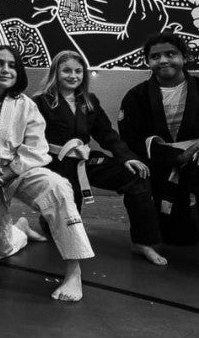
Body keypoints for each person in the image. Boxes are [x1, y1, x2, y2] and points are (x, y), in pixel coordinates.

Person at [0, 45, 94, 302]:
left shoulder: (25, 104)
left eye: (12, 65)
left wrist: (9, 171)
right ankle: (19, 230)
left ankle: (73, 271)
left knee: (57, 186)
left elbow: (37, 148)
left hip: (16, 172)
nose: (5, 70)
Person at [33, 51, 166, 265]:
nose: (73, 76)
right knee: (66, 222)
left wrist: (126, 158)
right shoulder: (39, 102)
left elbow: (106, 134)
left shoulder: (89, 100)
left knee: (136, 177)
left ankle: (143, 241)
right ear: (55, 72)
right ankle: (48, 220)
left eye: (78, 71)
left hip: (84, 160)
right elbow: (31, 140)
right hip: (56, 165)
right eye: (66, 70)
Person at [118, 33, 199, 280]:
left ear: (185, 57)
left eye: (170, 54)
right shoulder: (136, 96)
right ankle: (144, 238)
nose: (163, 60)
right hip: (160, 165)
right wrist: (177, 154)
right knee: (178, 238)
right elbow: (131, 138)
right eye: (155, 56)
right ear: (148, 61)